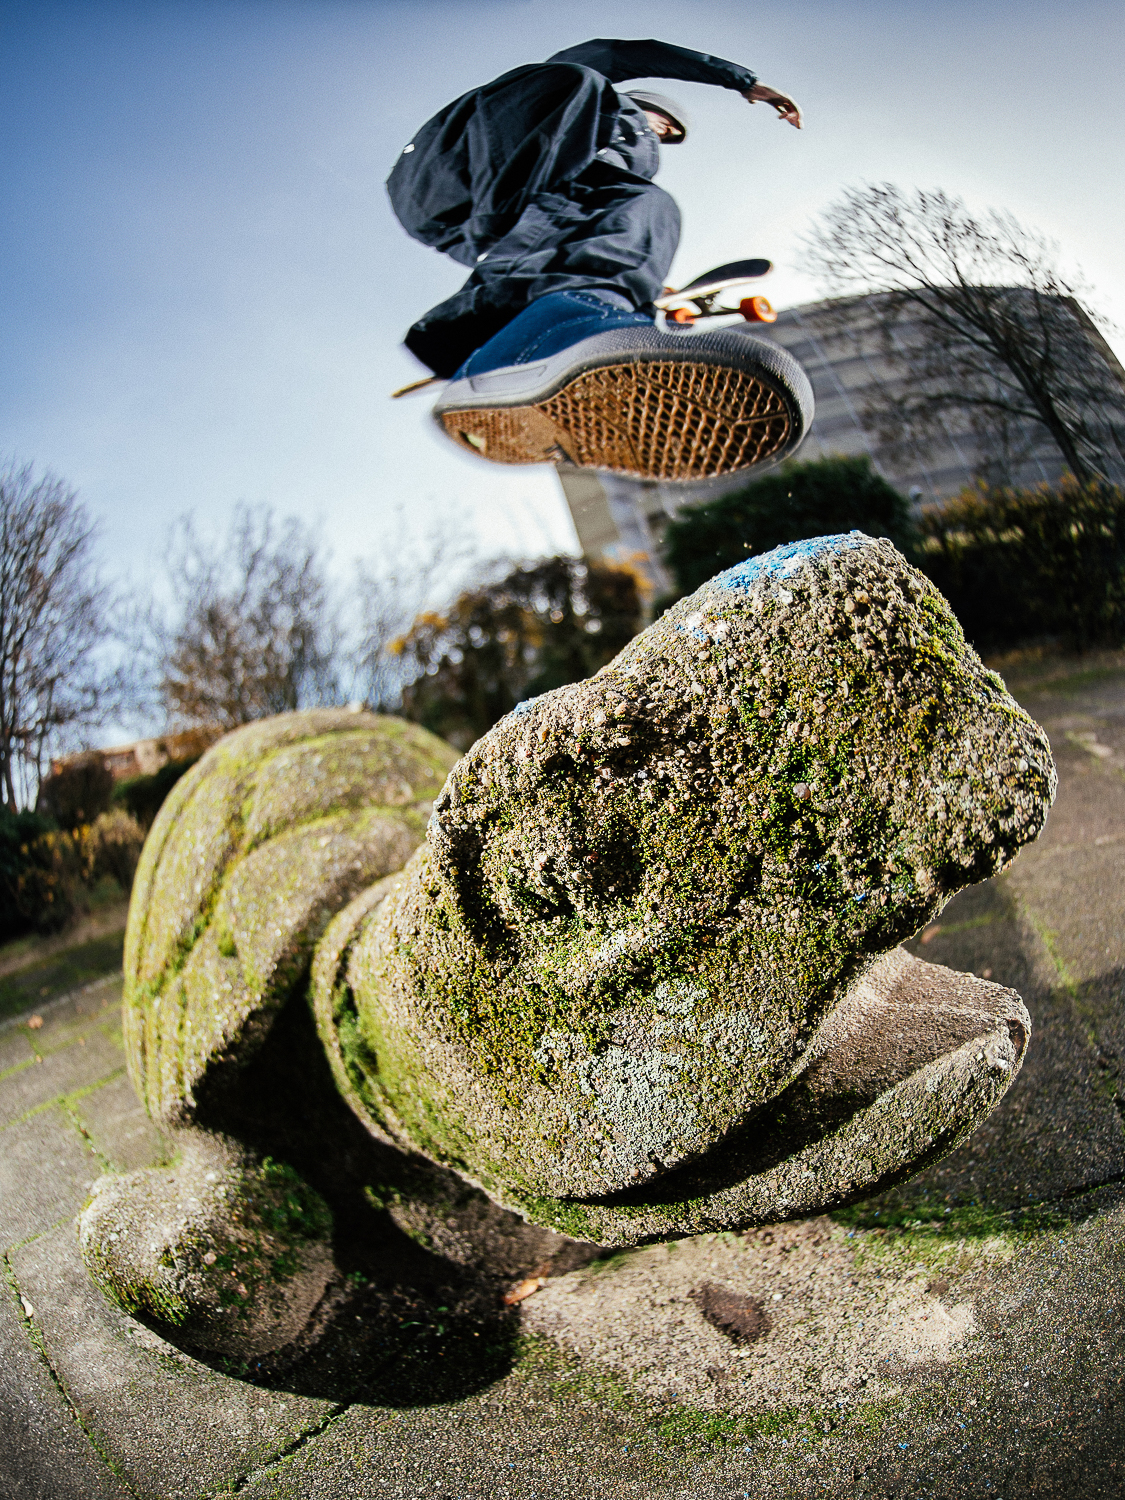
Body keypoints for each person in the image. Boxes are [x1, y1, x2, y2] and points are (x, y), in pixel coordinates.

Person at [388, 39, 811, 480]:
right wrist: (741, 80)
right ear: (644, 106)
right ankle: (572, 322)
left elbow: (559, 233)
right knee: (647, 205)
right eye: (663, 126)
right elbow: (617, 53)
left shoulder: (590, 159)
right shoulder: (596, 106)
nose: (661, 137)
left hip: (452, 205)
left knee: (622, 213)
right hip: (478, 160)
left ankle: (505, 344)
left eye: (666, 136)